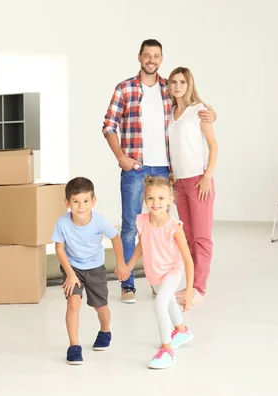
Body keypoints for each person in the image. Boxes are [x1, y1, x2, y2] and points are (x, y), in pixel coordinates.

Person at [102, 39, 216, 304]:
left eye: (156, 56)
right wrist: (121, 157)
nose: (151, 60)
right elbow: (109, 125)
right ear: (139, 57)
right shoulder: (125, 89)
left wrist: (212, 116)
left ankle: (160, 280)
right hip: (136, 168)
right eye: (147, 55)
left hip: (165, 171)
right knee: (131, 226)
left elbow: (193, 107)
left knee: (162, 227)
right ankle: (128, 285)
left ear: (161, 59)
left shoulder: (169, 89)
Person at [52, 177, 129, 365]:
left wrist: (121, 264)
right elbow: (59, 249)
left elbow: (116, 238)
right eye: (75, 202)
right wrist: (70, 273)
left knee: (100, 305)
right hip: (73, 268)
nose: (81, 206)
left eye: (86, 201)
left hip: (95, 268)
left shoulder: (99, 221)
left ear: (93, 201)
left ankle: (105, 330)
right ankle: (74, 346)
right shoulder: (62, 223)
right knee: (73, 304)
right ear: (67, 203)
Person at [125, 175, 194, 369]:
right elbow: (141, 245)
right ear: (145, 200)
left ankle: (167, 351)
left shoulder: (174, 226)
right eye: (151, 198)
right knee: (169, 300)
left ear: (170, 200)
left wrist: (188, 291)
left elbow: (188, 260)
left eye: (161, 198)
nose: (156, 203)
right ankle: (181, 330)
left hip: (172, 269)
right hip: (154, 270)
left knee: (160, 303)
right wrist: (129, 266)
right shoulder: (143, 221)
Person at [167, 67, 218, 304]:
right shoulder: (171, 113)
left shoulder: (199, 111)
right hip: (179, 183)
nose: (177, 86)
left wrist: (207, 175)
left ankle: (200, 288)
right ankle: (189, 285)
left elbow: (213, 146)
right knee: (186, 238)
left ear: (189, 85)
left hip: (199, 181)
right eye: (174, 82)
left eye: (182, 82)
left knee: (201, 238)